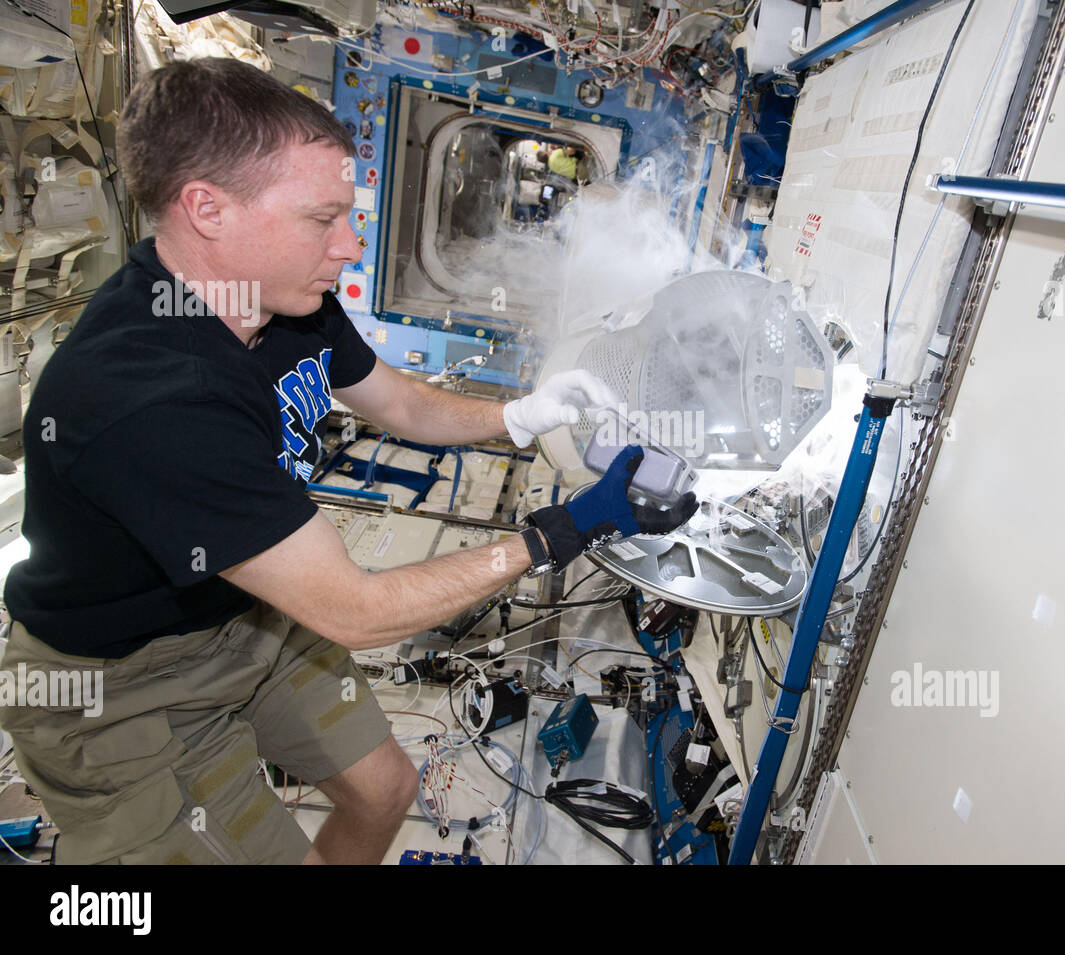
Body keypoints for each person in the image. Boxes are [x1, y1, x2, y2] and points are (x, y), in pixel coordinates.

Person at [0, 58, 697, 865]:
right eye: (322, 218)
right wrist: (552, 536)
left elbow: (397, 403)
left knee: (386, 789)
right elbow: (354, 611)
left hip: (242, 622)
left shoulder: (282, 297)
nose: (352, 242)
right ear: (207, 209)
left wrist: (516, 416)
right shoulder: (149, 397)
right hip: (118, 692)